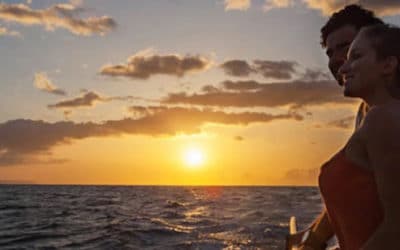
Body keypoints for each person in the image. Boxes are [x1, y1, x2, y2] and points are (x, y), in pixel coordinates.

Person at [285, 5, 383, 250]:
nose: (336, 60)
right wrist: (314, 238)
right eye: (330, 53)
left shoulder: (388, 115)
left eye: (347, 48)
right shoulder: (365, 110)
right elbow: (358, 190)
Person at [320, 23, 400, 250]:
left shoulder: (383, 119)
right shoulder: (374, 117)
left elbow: (396, 230)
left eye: (355, 57)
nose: (343, 68)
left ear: (388, 64)